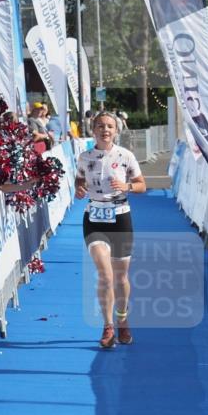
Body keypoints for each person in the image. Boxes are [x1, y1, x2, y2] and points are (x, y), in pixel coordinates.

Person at [74, 111, 147, 349]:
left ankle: (123, 319)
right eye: (100, 126)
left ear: (116, 131)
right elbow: (79, 180)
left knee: (121, 276)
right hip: (94, 217)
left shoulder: (126, 156)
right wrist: (80, 189)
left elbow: (141, 185)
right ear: (93, 130)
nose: (105, 130)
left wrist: (126, 186)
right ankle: (108, 327)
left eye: (109, 127)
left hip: (120, 218)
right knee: (105, 275)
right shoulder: (84, 157)